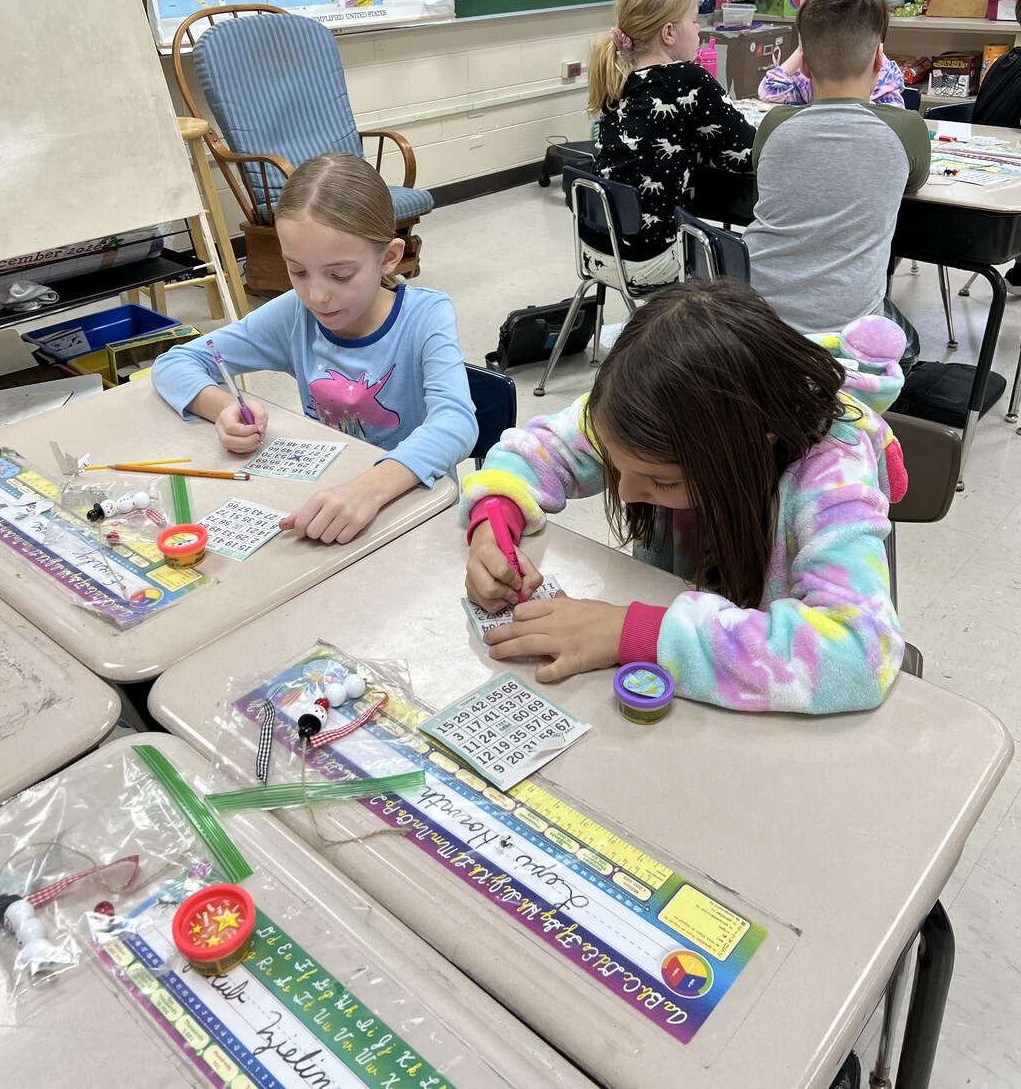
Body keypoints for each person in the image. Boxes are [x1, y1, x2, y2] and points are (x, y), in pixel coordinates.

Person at [461, 281, 907, 715]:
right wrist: (493, 521)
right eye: (616, 464)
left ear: (755, 444)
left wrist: (632, 632)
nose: (626, 492)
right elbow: (539, 451)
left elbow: (861, 654)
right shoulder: (637, 412)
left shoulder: (833, 476)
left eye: (663, 482)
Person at [153, 153, 477, 544]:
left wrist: (368, 489)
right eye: (298, 271)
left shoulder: (426, 315)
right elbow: (176, 362)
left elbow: (456, 423)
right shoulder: (295, 313)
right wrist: (223, 408)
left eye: (340, 275)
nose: (317, 296)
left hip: (413, 512)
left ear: (389, 257)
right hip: (328, 501)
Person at [744, 0, 930, 371]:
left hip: (755, 315)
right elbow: (912, 185)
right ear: (880, 60)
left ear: (804, 65)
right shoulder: (906, 129)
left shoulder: (774, 124)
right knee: (909, 344)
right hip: (847, 327)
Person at [587, 0, 756, 288]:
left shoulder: (619, 79)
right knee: (750, 255)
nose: (699, 29)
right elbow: (745, 153)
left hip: (599, 247)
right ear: (669, 33)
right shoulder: (686, 78)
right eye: (693, 21)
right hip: (652, 257)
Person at [758, 42, 906, 107]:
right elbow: (769, 91)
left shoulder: (882, 73)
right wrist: (801, 50)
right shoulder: (809, 70)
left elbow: (894, 115)